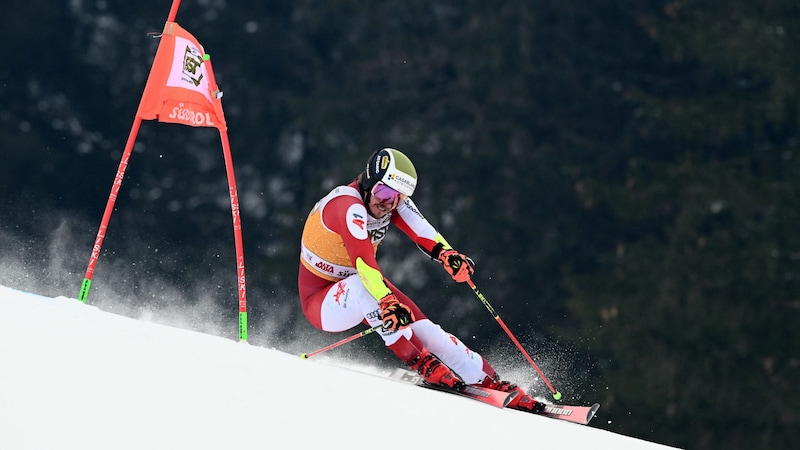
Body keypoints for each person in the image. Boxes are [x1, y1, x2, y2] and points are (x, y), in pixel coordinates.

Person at [297, 147, 544, 414]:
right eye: (384, 194)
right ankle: (418, 360)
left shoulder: (390, 203)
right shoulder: (348, 206)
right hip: (322, 303)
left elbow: (424, 231)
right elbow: (363, 262)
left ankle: (489, 381)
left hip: (368, 288)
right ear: (368, 183)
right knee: (362, 287)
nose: (389, 204)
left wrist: (447, 254)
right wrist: (387, 301)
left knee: (431, 332)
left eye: (397, 197)